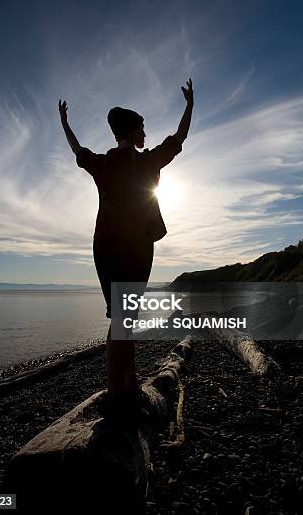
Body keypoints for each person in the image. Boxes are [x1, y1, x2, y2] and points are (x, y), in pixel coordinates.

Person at [59, 78, 194, 413]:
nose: (146, 134)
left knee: (120, 318)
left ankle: (124, 385)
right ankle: (116, 394)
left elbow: (77, 151)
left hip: (103, 246)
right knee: (125, 317)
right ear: (133, 131)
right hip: (134, 247)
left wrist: (64, 124)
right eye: (143, 128)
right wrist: (189, 106)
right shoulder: (146, 161)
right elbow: (179, 139)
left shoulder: (102, 163)